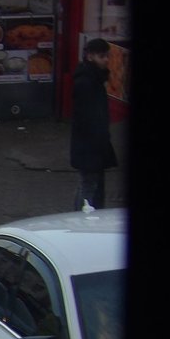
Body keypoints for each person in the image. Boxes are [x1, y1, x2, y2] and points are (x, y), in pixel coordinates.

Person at [70, 38, 118, 211]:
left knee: (91, 186)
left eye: (107, 56)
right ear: (90, 56)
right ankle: (79, 221)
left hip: (93, 147)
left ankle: (81, 218)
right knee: (88, 189)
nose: (106, 60)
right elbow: (87, 118)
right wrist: (97, 139)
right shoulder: (87, 82)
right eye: (101, 56)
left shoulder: (94, 78)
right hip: (90, 147)